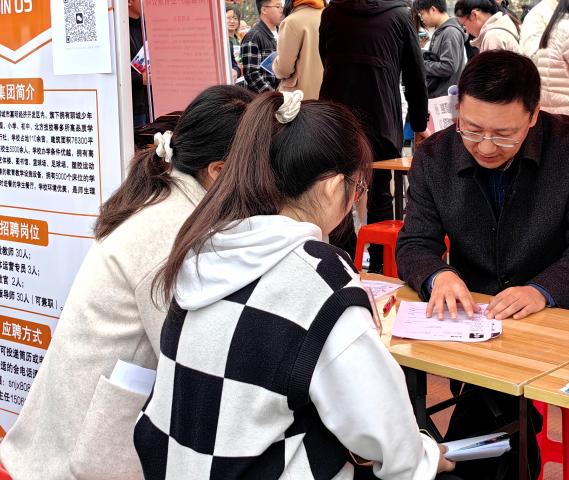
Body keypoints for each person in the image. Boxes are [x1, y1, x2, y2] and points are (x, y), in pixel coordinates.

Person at [134, 91, 460, 480]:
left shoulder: (205, 248)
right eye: (358, 188)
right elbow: (384, 431)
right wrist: (425, 458)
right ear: (332, 187)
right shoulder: (319, 275)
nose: (355, 200)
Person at [0, 86, 256, 480]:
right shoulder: (173, 235)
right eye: (263, 166)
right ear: (218, 171)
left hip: (72, 440)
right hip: (79, 458)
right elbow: (198, 362)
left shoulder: (168, 201)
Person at [396, 50, 569, 479]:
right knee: (410, 384)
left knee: (490, 409)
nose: (485, 146)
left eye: (504, 135)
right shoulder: (435, 156)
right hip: (474, 315)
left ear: (533, 115)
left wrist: (542, 290)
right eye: (471, 129)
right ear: (458, 110)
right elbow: (415, 241)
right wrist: (438, 275)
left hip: (562, 314)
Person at [319, 0, 429, 271]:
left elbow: (326, 60)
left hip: (337, 116)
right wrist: (419, 123)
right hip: (380, 115)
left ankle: (344, 263)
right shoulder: (399, 15)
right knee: (380, 192)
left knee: (338, 190)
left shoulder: (331, 14)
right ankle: (382, 264)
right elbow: (415, 75)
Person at [273, 0, 325, 99]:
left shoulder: (292, 21)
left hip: (300, 97)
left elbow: (284, 69)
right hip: (327, 95)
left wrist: (275, 64)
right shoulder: (329, 16)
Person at [415, 0, 467, 98]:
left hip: (444, 97)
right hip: (439, 94)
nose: (421, 19)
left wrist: (420, 64)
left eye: (422, 14)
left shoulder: (450, 32)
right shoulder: (442, 30)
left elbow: (448, 66)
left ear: (433, 10)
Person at [241, 0, 282, 92]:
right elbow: (251, 74)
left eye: (281, 6)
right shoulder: (253, 36)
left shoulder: (282, 33)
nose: (281, 10)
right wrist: (273, 95)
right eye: (277, 6)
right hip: (267, 98)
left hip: (285, 93)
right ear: (264, 10)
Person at [454, 0, 522, 53]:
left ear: (474, 15)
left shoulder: (492, 36)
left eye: (464, 25)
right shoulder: (501, 28)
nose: (466, 31)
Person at [129, 0, 150, 127]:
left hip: (151, 103)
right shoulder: (117, 31)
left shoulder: (147, 26)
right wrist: (140, 78)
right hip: (133, 108)